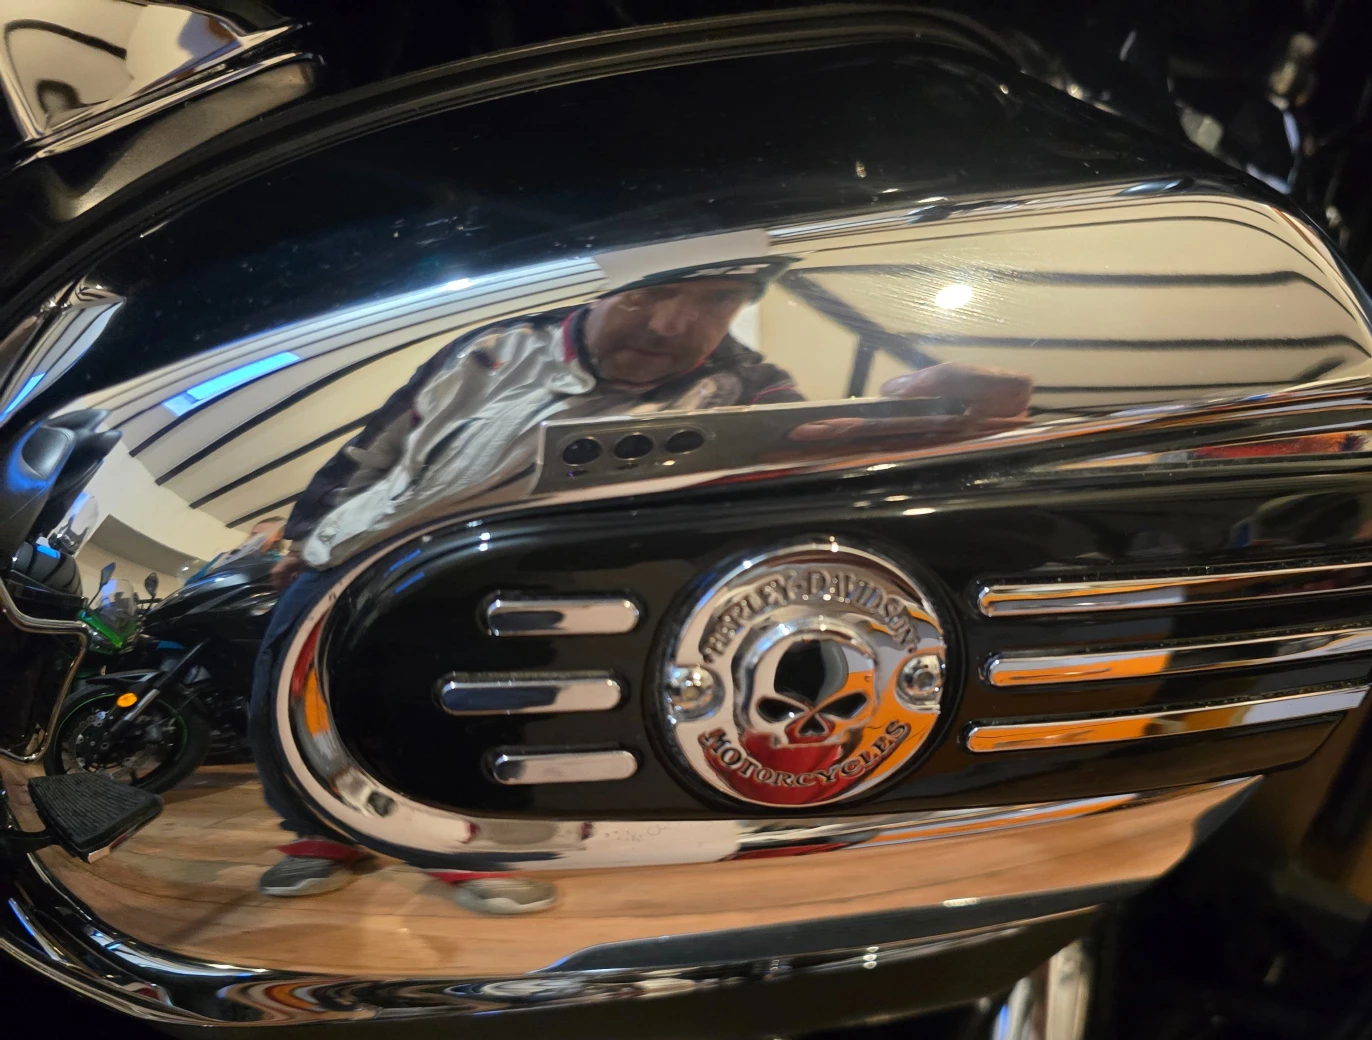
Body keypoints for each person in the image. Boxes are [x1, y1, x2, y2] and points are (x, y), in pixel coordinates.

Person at [253, 261, 1033, 912]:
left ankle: (471, 843)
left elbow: (805, 459)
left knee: (492, 704)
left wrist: (928, 430)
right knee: (287, 687)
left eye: (716, 301)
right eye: (652, 293)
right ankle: (315, 833)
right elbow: (381, 442)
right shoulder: (495, 347)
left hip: (514, 573)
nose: (672, 325)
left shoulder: (749, 384)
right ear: (602, 285)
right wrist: (306, 532)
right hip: (361, 544)